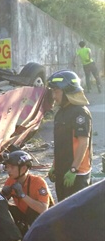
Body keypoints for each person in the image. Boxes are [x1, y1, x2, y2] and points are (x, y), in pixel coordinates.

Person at [46, 70, 92, 201]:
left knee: (78, 213)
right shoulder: (60, 113)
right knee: (63, 209)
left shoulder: (80, 113)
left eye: (56, 91)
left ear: (67, 90)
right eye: (53, 92)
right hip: (62, 171)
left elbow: (83, 143)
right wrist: (55, 165)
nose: (54, 96)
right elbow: (61, 143)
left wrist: (73, 169)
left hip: (76, 173)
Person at [0, 150, 53, 235]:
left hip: (45, 219)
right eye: (7, 167)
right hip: (24, 215)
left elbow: (43, 209)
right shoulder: (10, 180)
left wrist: (22, 195)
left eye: (12, 167)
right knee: (3, 209)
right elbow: (0, 204)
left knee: (32, 212)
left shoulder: (38, 182)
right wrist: (2, 195)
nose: (9, 170)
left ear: (24, 168)